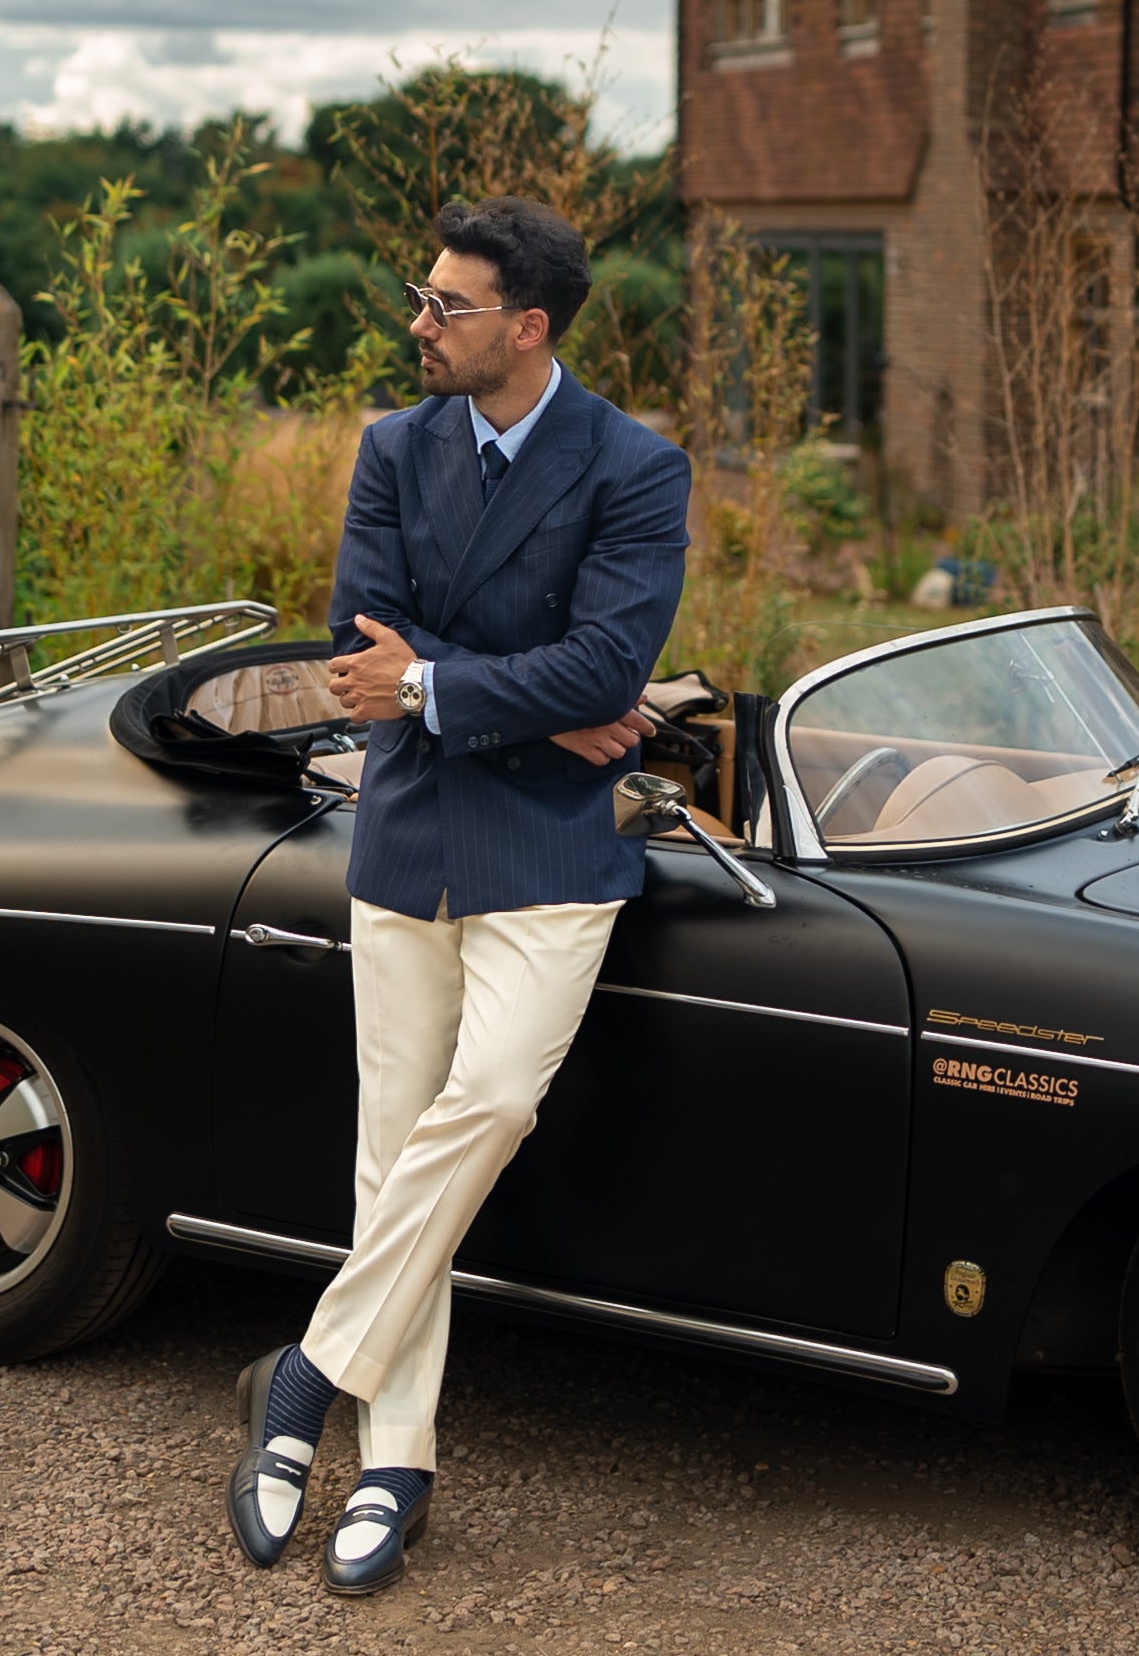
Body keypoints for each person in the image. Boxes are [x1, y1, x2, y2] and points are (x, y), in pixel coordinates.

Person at [224, 195, 690, 1595]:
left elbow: (605, 665)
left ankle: (303, 1374)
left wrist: (440, 684)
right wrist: (528, 696)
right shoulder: (390, 447)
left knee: (487, 1106)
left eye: (447, 307)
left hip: (549, 853)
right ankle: (398, 1456)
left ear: (526, 327)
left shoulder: (634, 466)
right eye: (421, 299)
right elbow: (354, 648)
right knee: (390, 1155)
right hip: (409, 832)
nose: (417, 326)